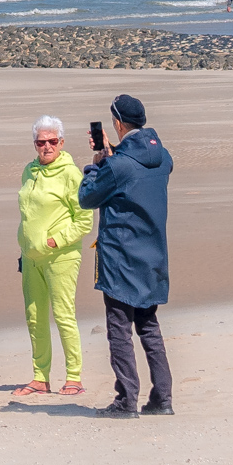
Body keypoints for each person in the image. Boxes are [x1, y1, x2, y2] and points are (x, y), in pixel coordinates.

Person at [79, 94, 175, 419]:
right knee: (148, 325)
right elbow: (144, 165)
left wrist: (96, 165)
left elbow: (87, 197)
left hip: (121, 260)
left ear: (118, 124)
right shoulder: (161, 158)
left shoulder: (118, 165)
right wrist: (113, 155)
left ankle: (126, 401)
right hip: (152, 259)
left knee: (119, 328)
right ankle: (162, 398)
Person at [14, 115, 93, 397]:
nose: (46, 147)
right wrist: (25, 244)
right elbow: (28, 213)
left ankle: (74, 377)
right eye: (40, 142)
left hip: (61, 257)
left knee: (63, 315)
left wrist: (54, 240)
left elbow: (84, 221)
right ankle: (40, 377)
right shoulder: (29, 171)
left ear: (61, 142)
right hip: (30, 256)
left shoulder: (71, 174)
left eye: (52, 141)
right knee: (34, 317)